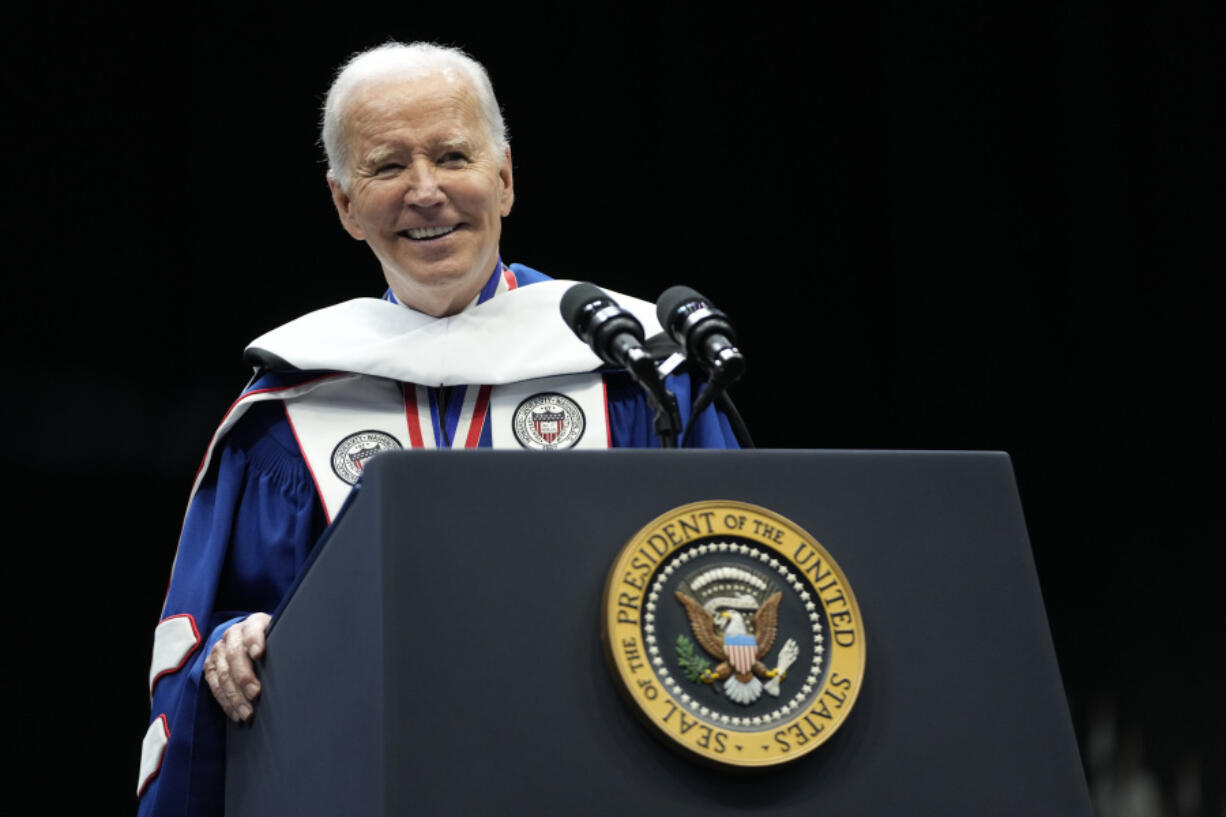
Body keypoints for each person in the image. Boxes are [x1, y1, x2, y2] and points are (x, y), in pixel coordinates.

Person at [135, 42, 740, 815]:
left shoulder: (636, 371)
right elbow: (211, 636)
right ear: (345, 204)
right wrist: (231, 649)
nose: (426, 193)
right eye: (388, 167)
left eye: (453, 155)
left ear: (506, 178)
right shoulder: (292, 409)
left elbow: (731, 573)